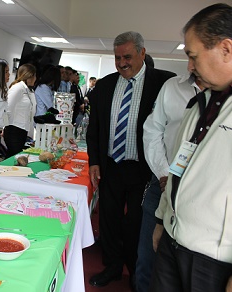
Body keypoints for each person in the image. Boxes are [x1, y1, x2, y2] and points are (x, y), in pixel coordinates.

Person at [151, 4, 232, 291]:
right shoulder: (198, 105)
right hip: (173, 241)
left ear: (226, 49)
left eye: (193, 56)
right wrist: (162, 220)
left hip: (214, 259)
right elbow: (178, 167)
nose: (189, 66)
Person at [86, 31, 175, 289]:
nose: (122, 62)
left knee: (136, 222)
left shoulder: (163, 83)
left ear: (142, 53)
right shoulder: (104, 85)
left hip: (143, 169)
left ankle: (136, 270)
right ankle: (112, 267)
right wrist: (94, 161)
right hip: (111, 165)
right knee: (109, 220)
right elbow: (95, 128)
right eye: (117, 57)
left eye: (127, 56)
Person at [136, 73, 203, 292]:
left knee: (184, 271)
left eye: (195, 55)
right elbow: (153, 131)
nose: (191, 64)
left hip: (201, 196)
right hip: (162, 184)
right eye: (188, 56)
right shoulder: (173, 87)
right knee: (147, 258)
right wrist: (165, 174)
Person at [4, 63, 37, 158]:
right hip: (13, 129)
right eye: (34, 76)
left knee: (17, 157)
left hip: (23, 130)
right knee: (13, 157)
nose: (35, 79)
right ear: (29, 76)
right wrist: (4, 126)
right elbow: (7, 109)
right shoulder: (18, 88)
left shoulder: (29, 90)